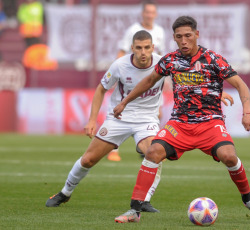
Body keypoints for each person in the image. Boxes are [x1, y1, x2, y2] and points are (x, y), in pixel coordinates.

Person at [113, 16, 250, 223]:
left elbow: (241, 84)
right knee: (152, 152)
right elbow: (149, 81)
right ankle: (135, 210)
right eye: (179, 37)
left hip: (210, 123)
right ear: (174, 38)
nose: (184, 40)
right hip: (179, 124)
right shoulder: (170, 60)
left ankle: (248, 199)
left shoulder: (213, 59)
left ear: (196, 35)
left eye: (188, 36)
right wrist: (125, 101)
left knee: (229, 156)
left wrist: (247, 112)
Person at [45, 30, 165, 212]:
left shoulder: (162, 64)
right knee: (88, 160)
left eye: (147, 48)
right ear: (131, 48)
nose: (143, 52)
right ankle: (65, 193)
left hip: (147, 119)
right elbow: (101, 89)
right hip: (119, 118)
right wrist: (92, 120)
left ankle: (144, 200)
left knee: (154, 154)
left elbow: (186, 79)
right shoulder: (120, 65)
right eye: (139, 48)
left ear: (153, 47)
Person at [108, 0, 165, 161]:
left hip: (152, 80)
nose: (149, 15)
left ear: (156, 14)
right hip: (131, 78)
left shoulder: (160, 31)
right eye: (147, 12)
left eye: (152, 12)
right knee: (122, 111)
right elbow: (121, 52)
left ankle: (146, 146)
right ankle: (113, 150)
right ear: (143, 13)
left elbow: (161, 58)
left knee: (157, 113)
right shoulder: (133, 30)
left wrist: (166, 81)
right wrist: (117, 72)